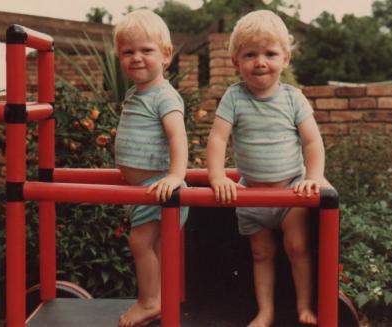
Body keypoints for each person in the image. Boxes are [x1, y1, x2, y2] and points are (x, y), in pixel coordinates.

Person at [207, 10, 328, 326]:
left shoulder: (293, 98)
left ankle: (304, 305)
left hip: (292, 191)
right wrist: (218, 176)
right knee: (261, 254)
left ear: (285, 59)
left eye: (270, 54)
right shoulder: (234, 97)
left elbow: (313, 143)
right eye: (250, 54)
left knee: (296, 246)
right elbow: (218, 139)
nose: (260, 62)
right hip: (251, 195)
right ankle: (266, 311)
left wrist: (313, 178)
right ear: (236, 61)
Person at [113, 9, 189, 327]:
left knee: (140, 243)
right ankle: (161, 299)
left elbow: (178, 137)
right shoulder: (135, 93)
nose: (137, 58)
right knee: (154, 248)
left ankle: (149, 302)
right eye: (128, 52)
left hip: (159, 188)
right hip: (143, 191)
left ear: (166, 54)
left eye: (146, 50)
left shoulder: (164, 97)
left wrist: (175, 176)